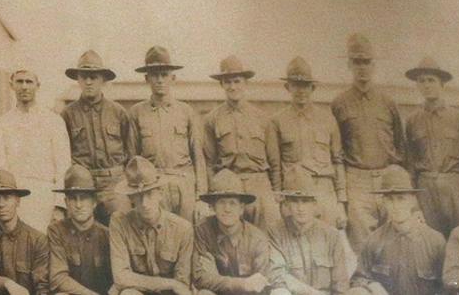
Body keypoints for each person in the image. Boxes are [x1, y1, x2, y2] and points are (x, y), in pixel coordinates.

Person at [334, 41, 404, 244]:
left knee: (393, 239)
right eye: (357, 62)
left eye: (366, 62)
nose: (362, 67)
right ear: (349, 65)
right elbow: (336, 150)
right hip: (357, 180)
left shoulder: (388, 102)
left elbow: (400, 144)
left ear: (374, 65)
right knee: (362, 242)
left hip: (387, 177)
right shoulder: (339, 103)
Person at [269, 63, 346, 231]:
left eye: (305, 85)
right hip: (294, 194)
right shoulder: (277, 121)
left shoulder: (328, 119)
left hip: (323, 190)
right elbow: (275, 165)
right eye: (296, 85)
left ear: (313, 88)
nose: (301, 90)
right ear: (288, 87)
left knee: (327, 237)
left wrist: (340, 201)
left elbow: (338, 161)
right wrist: (279, 198)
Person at [62, 57, 137, 228]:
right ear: (78, 80)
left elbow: (131, 153)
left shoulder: (118, 112)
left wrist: (127, 185)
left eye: (93, 77)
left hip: (114, 184)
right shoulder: (68, 114)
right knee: (81, 231)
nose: (88, 82)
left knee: (121, 227)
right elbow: (64, 154)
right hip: (82, 186)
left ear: (103, 79)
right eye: (84, 77)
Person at [132, 53, 206, 227]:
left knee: (187, 233)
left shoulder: (186, 111)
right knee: (158, 234)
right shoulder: (137, 113)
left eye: (164, 75)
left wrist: (201, 197)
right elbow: (132, 158)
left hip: (184, 184)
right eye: (154, 75)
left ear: (173, 78)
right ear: (146, 79)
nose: (160, 80)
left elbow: (198, 156)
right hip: (154, 187)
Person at [403, 60, 459, 239]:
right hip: (426, 188)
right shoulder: (412, 120)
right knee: (430, 239)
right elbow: (410, 162)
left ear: (442, 84)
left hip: (455, 187)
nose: (426, 85)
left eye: (431, 80)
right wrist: (413, 197)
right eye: (421, 81)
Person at [350, 169, 444, 295]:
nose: (396, 206)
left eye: (401, 199)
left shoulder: (435, 241)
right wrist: (371, 286)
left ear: (412, 200)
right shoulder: (374, 240)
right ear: (384, 202)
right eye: (390, 200)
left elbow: (447, 286)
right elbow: (358, 280)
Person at [190, 172, 286, 295]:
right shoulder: (203, 231)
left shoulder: (257, 238)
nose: (227, 209)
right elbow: (201, 277)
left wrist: (247, 286)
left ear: (241, 209)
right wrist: (242, 284)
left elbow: (260, 282)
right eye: (222, 202)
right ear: (213, 207)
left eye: (232, 203)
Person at [0, 74, 71, 231]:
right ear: (12, 85)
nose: (24, 86)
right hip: (14, 199)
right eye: (19, 81)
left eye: (29, 82)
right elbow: (0, 166)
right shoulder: (2, 123)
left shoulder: (54, 121)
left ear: (38, 85)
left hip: (45, 199)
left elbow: (63, 166)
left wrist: (59, 206)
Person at [202, 65, 273, 229]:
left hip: (258, 184)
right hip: (228, 187)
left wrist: (275, 192)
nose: (232, 87)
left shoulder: (262, 118)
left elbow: (274, 160)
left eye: (237, 81)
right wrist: (213, 193)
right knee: (229, 234)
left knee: (265, 233)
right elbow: (209, 162)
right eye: (227, 82)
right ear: (222, 84)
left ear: (245, 83)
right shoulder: (212, 119)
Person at [109, 160, 193, 295]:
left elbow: (182, 283)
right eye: (138, 196)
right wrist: (170, 283)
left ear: (160, 194)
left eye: (149, 194)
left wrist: (174, 285)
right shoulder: (120, 223)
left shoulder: (182, 229)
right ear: (131, 198)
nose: (144, 203)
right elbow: (121, 277)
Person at [0, 170, 53, 295]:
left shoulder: (37, 240)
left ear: (17, 201)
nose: (1, 204)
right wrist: (6, 283)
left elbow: (42, 286)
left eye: (7, 197)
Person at [270, 188, 356, 295]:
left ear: (314, 204)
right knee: (279, 292)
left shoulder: (331, 234)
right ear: (287, 205)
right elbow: (277, 274)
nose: (300, 208)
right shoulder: (276, 232)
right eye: (295, 202)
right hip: (294, 292)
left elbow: (340, 282)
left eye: (305, 202)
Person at [48, 169, 114, 295]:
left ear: (94, 202)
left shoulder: (107, 234)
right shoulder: (56, 231)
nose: (78, 205)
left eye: (83, 198)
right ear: (66, 203)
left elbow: (117, 278)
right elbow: (58, 278)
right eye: (73, 199)